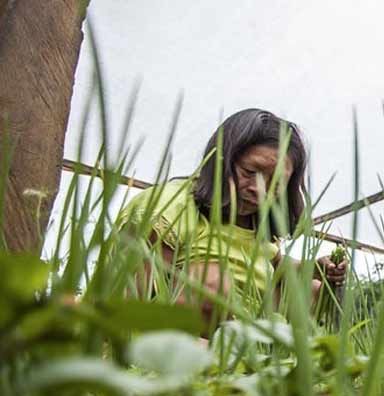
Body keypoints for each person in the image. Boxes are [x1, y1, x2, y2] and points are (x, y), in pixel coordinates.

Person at [116, 108, 347, 325]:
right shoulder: (171, 206)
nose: (260, 189)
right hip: (175, 329)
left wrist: (314, 267)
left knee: (313, 290)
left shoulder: (257, 222)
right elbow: (130, 295)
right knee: (211, 281)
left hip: (245, 330)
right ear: (221, 159)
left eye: (276, 183)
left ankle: (269, 356)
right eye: (249, 172)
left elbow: (276, 264)